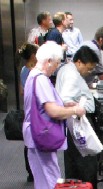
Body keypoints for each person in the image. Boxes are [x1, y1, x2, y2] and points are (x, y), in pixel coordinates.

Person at [22, 41, 85, 189]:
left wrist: (64, 105)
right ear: (49, 61)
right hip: (42, 135)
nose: (56, 68)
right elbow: (52, 111)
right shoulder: (42, 79)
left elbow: (42, 106)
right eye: (56, 63)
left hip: (33, 133)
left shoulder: (32, 75)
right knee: (51, 180)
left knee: (42, 178)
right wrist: (75, 110)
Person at [56, 46, 99, 189]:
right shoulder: (72, 76)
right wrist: (78, 107)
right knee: (86, 164)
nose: (90, 71)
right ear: (79, 62)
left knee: (73, 163)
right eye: (89, 68)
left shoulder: (66, 69)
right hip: (78, 123)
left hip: (72, 124)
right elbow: (66, 99)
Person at [17, 43, 38, 182]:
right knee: (32, 141)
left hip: (29, 109)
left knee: (29, 141)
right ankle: (32, 171)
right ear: (32, 56)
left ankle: (31, 171)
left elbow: (21, 91)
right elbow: (24, 91)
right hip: (33, 110)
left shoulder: (24, 70)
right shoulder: (31, 71)